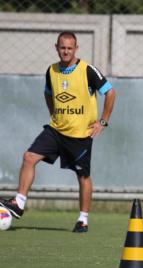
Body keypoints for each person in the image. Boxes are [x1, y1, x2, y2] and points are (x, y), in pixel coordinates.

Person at [0, 31, 116, 233]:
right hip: (55, 130)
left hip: (80, 135)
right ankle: (19, 202)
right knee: (29, 157)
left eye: (70, 48)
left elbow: (110, 92)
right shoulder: (51, 71)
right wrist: (54, 113)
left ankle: (83, 219)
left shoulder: (87, 70)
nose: (66, 51)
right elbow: (48, 93)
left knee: (83, 177)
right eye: (62, 48)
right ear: (56, 47)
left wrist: (103, 121)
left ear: (76, 49)